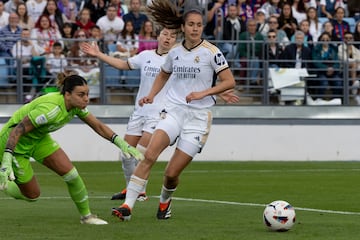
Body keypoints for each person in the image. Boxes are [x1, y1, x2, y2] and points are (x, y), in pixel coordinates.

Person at [110, 0, 236, 221]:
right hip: (174, 112)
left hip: (197, 119)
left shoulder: (212, 52)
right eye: (191, 24)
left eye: (198, 24)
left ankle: (165, 202)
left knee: (171, 174)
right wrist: (152, 94)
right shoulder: (175, 52)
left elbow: (229, 81)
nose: (195, 28)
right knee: (149, 154)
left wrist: (204, 93)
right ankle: (127, 207)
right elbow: (164, 74)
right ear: (183, 27)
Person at [0, 73, 143, 225]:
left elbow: (98, 126)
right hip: (15, 144)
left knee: (72, 175)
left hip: (39, 139)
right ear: (67, 94)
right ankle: (5, 184)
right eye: (81, 95)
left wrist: (122, 143)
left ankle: (87, 217)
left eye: (87, 94)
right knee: (32, 195)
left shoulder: (76, 107)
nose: (86, 98)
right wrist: (7, 157)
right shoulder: (50, 110)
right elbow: (18, 130)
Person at [81, 27, 178, 201]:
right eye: (165, 34)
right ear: (158, 36)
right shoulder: (145, 55)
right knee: (125, 154)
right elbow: (123, 64)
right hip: (139, 112)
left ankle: (139, 191)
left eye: (172, 36)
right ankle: (131, 189)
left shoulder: (176, 60)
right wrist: (99, 54)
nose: (168, 38)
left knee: (140, 153)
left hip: (159, 115)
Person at [312, 32, 342, 99]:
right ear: (320, 40)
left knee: (338, 82)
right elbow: (316, 62)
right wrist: (326, 68)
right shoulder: (316, 49)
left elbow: (337, 62)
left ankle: (335, 100)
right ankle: (319, 99)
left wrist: (333, 68)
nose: (325, 41)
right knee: (324, 83)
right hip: (321, 72)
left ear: (330, 40)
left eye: (327, 39)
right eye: (323, 39)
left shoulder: (334, 48)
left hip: (333, 71)